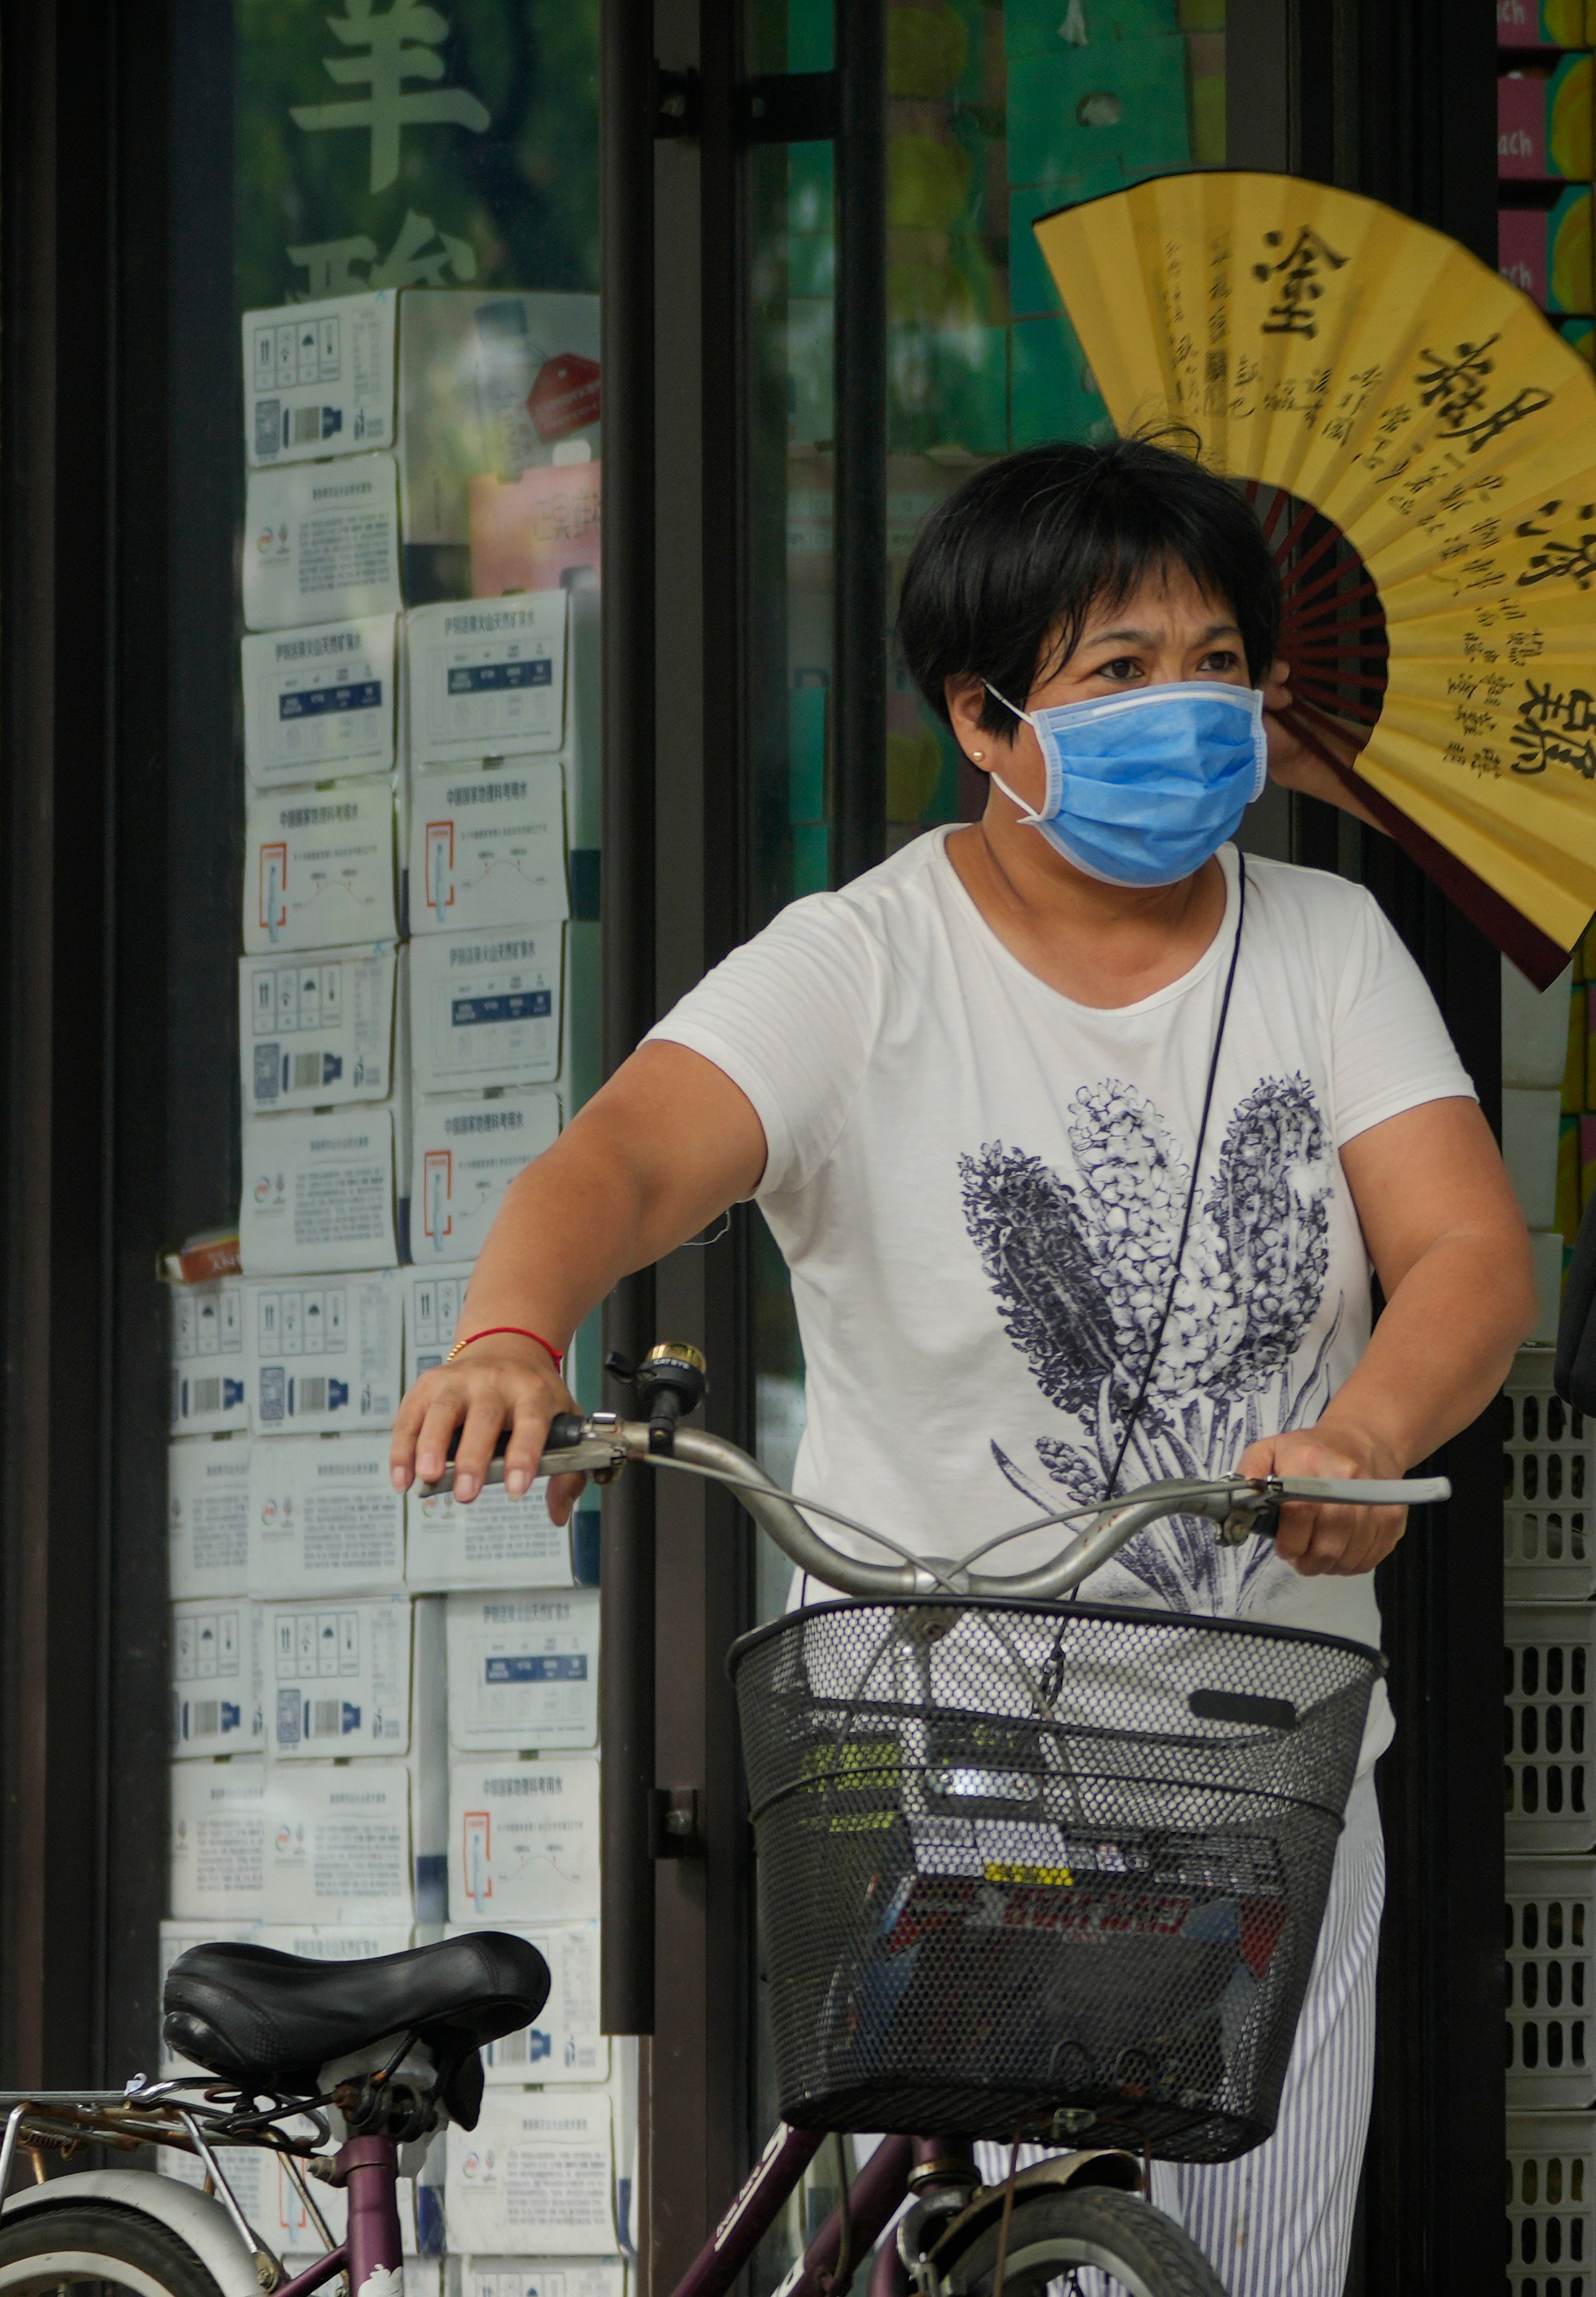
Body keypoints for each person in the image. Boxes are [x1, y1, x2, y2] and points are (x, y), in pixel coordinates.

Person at [385, 436, 1531, 2297]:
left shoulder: (1329, 942)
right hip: (962, 1748)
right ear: (984, 721)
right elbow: (621, 1160)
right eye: (1121, 670)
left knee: (1249, 2273)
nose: (1194, 707)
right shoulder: (865, 961)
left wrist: (1366, 1430)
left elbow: (1468, 1251)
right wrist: (512, 1338)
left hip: (1275, 1767)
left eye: (1222, 658)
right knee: (1031, 2254)